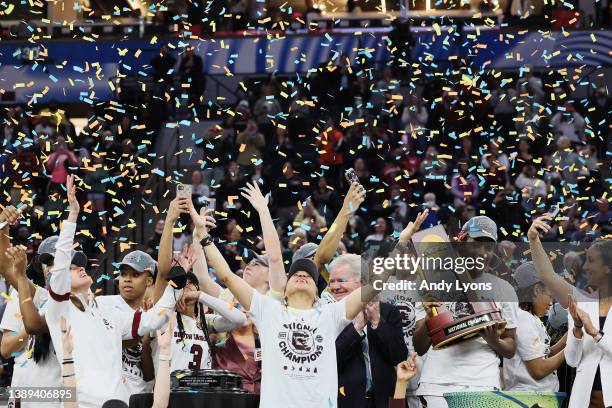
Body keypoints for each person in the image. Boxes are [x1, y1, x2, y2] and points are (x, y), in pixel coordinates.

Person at [44, 175, 185, 407]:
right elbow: (59, 266)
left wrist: (174, 289)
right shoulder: (59, 309)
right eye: (72, 267)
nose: (80, 268)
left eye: (80, 264)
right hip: (82, 403)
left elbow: (150, 320)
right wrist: (72, 216)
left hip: (118, 402)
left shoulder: (107, 310)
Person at [413, 216, 519, 408]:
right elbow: (419, 347)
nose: (484, 253)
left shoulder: (504, 289)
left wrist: (494, 341)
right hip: (437, 385)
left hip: (483, 383)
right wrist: (430, 317)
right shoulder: (434, 283)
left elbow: (511, 348)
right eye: (477, 244)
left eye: (489, 247)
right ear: (461, 244)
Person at [528, 215, 611, 408]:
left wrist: (594, 333)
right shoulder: (582, 303)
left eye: (591, 261)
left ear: (608, 268)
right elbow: (572, 360)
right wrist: (533, 240)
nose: (586, 267)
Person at [329, 253, 408, 408]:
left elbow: (398, 357)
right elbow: (331, 360)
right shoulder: (327, 314)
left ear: (362, 283)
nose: (335, 287)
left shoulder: (388, 312)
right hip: (346, 401)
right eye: (331, 282)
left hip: (384, 400)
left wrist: (377, 322)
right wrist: (357, 328)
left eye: (341, 281)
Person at [146, 271, 246, 374]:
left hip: (200, 388)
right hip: (168, 389)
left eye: (191, 283)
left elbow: (239, 319)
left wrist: (201, 296)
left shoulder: (205, 322)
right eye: (182, 284)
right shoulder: (165, 319)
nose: (186, 286)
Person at [504, 261, 566, 391]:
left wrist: (570, 336)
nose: (550, 304)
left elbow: (544, 355)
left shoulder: (531, 318)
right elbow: (538, 370)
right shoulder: (524, 320)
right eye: (549, 296)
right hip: (531, 399)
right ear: (537, 290)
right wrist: (570, 349)